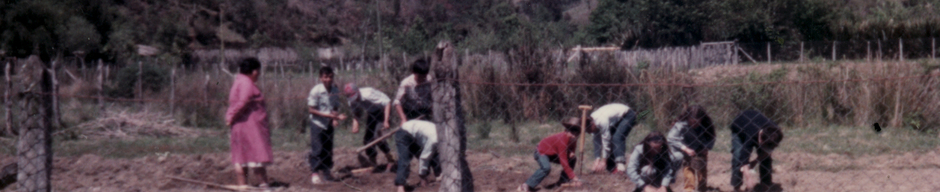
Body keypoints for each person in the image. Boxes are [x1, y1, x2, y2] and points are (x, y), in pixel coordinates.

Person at [224, 58, 273, 188]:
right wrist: (231, 116)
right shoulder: (246, 83)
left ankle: (243, 186)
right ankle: (264, 186)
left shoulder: (240, 81)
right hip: (250, 127)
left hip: (242, 125)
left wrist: (231, 117)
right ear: (254, 71)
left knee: (241, 157)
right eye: (258, 71)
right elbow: (243, 102)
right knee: (256, 156)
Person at [517, 117, 597, 192]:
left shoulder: (572, 138)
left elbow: (573, 145)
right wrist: (575, 178)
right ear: (566, 130)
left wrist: (572, 151)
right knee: (546, 168)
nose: (574, 136)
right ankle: (526, 185)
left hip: (553, 153)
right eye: (572, 132)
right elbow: (564, 162)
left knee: (572, 159)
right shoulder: (562, 140)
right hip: (541, 151)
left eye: (577, 134)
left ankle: (563, 181)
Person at [306, 66, 348, 184]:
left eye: (330, 77)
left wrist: (334, 117)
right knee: (317, 149)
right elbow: (311, 110)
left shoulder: (335, 90)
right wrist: (331, 116)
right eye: (325, 77)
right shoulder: (316, 91)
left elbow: (335, 106)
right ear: (320, 78)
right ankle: (314, 172)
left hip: (328, 124)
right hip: (317, 124)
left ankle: (326, 172)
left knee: (328, 149)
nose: (328, 79)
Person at [342, 83, 396, 167]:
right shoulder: (351, 100)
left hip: (382, 111)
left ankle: (390, 158)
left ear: (358, 91)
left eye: (356, 98)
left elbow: (387, 103)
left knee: (378, 137)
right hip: (372, 113)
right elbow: (357, 112)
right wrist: (356, 124)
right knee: (367, 140)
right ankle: (373, 162)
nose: (355, 100)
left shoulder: (369, 94)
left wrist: (386, 121)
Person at [729, 110, 784, 191]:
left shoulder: (776, 134)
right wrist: (748, 178)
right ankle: (736, 186)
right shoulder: (752, 135)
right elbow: (744, 158)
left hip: (754, 124)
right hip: (739, 128)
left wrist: (755, 161)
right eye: (762, 144)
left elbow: (767, 152)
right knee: (738, 155)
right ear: (760, 136)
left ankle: (765, 184)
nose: (762, 147)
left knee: (766, 158)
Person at [667, 105, 715, 192]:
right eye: (692, 122)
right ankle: (689, 189)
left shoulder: (706, 124)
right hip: (686, 148)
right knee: (688, 167)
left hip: (701, 147)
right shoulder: (680, 124)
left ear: (702, 119)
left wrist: (706, 148)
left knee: (702, 167)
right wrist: (685, 148)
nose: (694, 124)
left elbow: (711, 137)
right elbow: (671, 138)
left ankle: (702, 188)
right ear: (687, 118)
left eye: (697, 122)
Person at [588, 103, 638, 173]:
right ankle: (612, 168)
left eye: (589, 130)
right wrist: (597, 160)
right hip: (617, 119)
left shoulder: (602, 120)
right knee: (612, 139)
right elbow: (597, 142)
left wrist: (604, 161)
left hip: (628, 115)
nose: (589, 132)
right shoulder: (592, 122)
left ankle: (620, 167)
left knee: (617, 137)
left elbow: (606, 141)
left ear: (592, 124)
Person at [394, 120, 441, 192]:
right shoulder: (434, 139)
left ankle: (439, 176)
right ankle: (401, 187)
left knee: (433, 155)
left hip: (415, 135)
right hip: (404, 132)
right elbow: (424, 157)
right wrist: (422, 176)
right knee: (404, 159)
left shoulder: (440, 134)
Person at [384, 59, 433, 129]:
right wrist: (403, 118)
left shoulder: (430, 80)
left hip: (425, 112)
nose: (422, 79)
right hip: (410, 113)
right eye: (419, 77)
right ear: (413, 72)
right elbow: (397, 102)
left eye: (424, 77)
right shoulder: (406, 83)